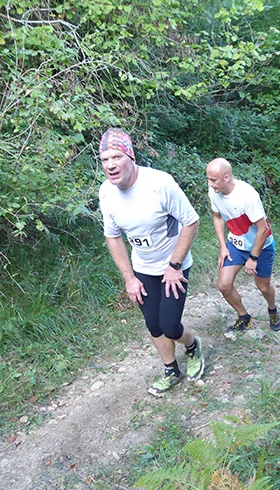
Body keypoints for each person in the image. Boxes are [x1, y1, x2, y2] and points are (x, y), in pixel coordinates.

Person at [98, 128, 204, 397]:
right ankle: (171, 371)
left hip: (174, 265)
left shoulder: (159, 184)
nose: (110, 165)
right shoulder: (106, 193)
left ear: (131, 157)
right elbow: (113, 236)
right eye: (105, 159)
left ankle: (192, 345)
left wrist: (175, 265)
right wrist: (129, 278)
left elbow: (191, 221)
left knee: (170, 325)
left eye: (116, 157)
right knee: (153, 324)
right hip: (143, 267)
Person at [206, 158, 280, 333]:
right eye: (208, 179)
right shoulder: (214, 191)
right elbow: (217, 216)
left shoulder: (247, 196)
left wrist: (253, 258)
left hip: (261, 245)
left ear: (226, 177)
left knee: (263, 287)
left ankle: (272, 310)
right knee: (224, 285)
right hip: (236, 244)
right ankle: (244, 317)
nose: (210, 184)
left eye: (213, 180)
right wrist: (223, 246)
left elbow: (263, 229)